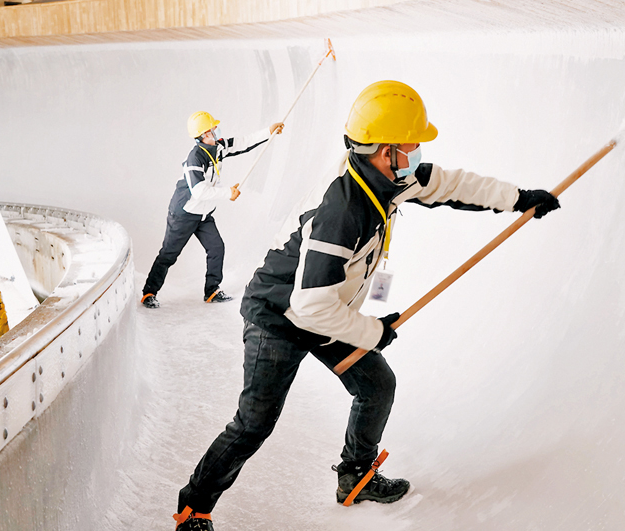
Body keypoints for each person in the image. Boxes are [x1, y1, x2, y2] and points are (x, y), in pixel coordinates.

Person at [173, 81, 560, 530]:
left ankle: (355, 476)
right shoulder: (343, 211)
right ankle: (193, 507)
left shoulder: (387, 176)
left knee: (376, 384)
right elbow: (310, 305)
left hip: (322, 304)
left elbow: (451, 185)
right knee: (254, 422)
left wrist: (517, 199)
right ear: (385, 150)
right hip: (277, 314)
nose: (417, 153)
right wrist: (374, 331)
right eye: (410, 146)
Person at [141, 112, 284, 308]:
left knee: (216, 248)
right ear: (204, 135)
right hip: (184, 214)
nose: (217, 131)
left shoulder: (217, 147)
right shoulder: (195, 158)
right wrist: (228, 193)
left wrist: (269, 131)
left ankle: (212, 291)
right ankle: (149, 292)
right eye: (213, 129)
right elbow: (198, 190)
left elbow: (242, 142)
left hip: (204, 214)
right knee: (168, 255)